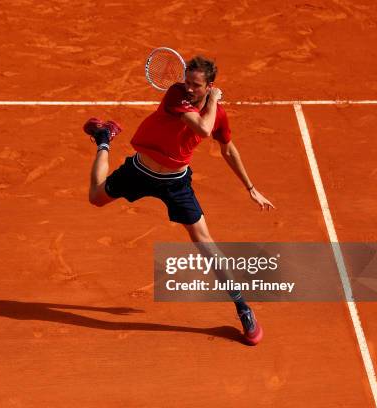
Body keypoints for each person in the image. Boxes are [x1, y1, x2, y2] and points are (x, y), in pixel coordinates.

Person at [83, 55, 275, 345]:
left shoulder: (217, 113)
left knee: (205, 243)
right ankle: (104, 138)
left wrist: (250, 187)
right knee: (96, 197)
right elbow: (202, 129)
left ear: (209, 85)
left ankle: (243, 308)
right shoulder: (176, 95)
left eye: (196, 85)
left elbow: (228, 150)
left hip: (175, 183)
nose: (188, 88)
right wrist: (212, 100)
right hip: (141, 170)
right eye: (187, 81)